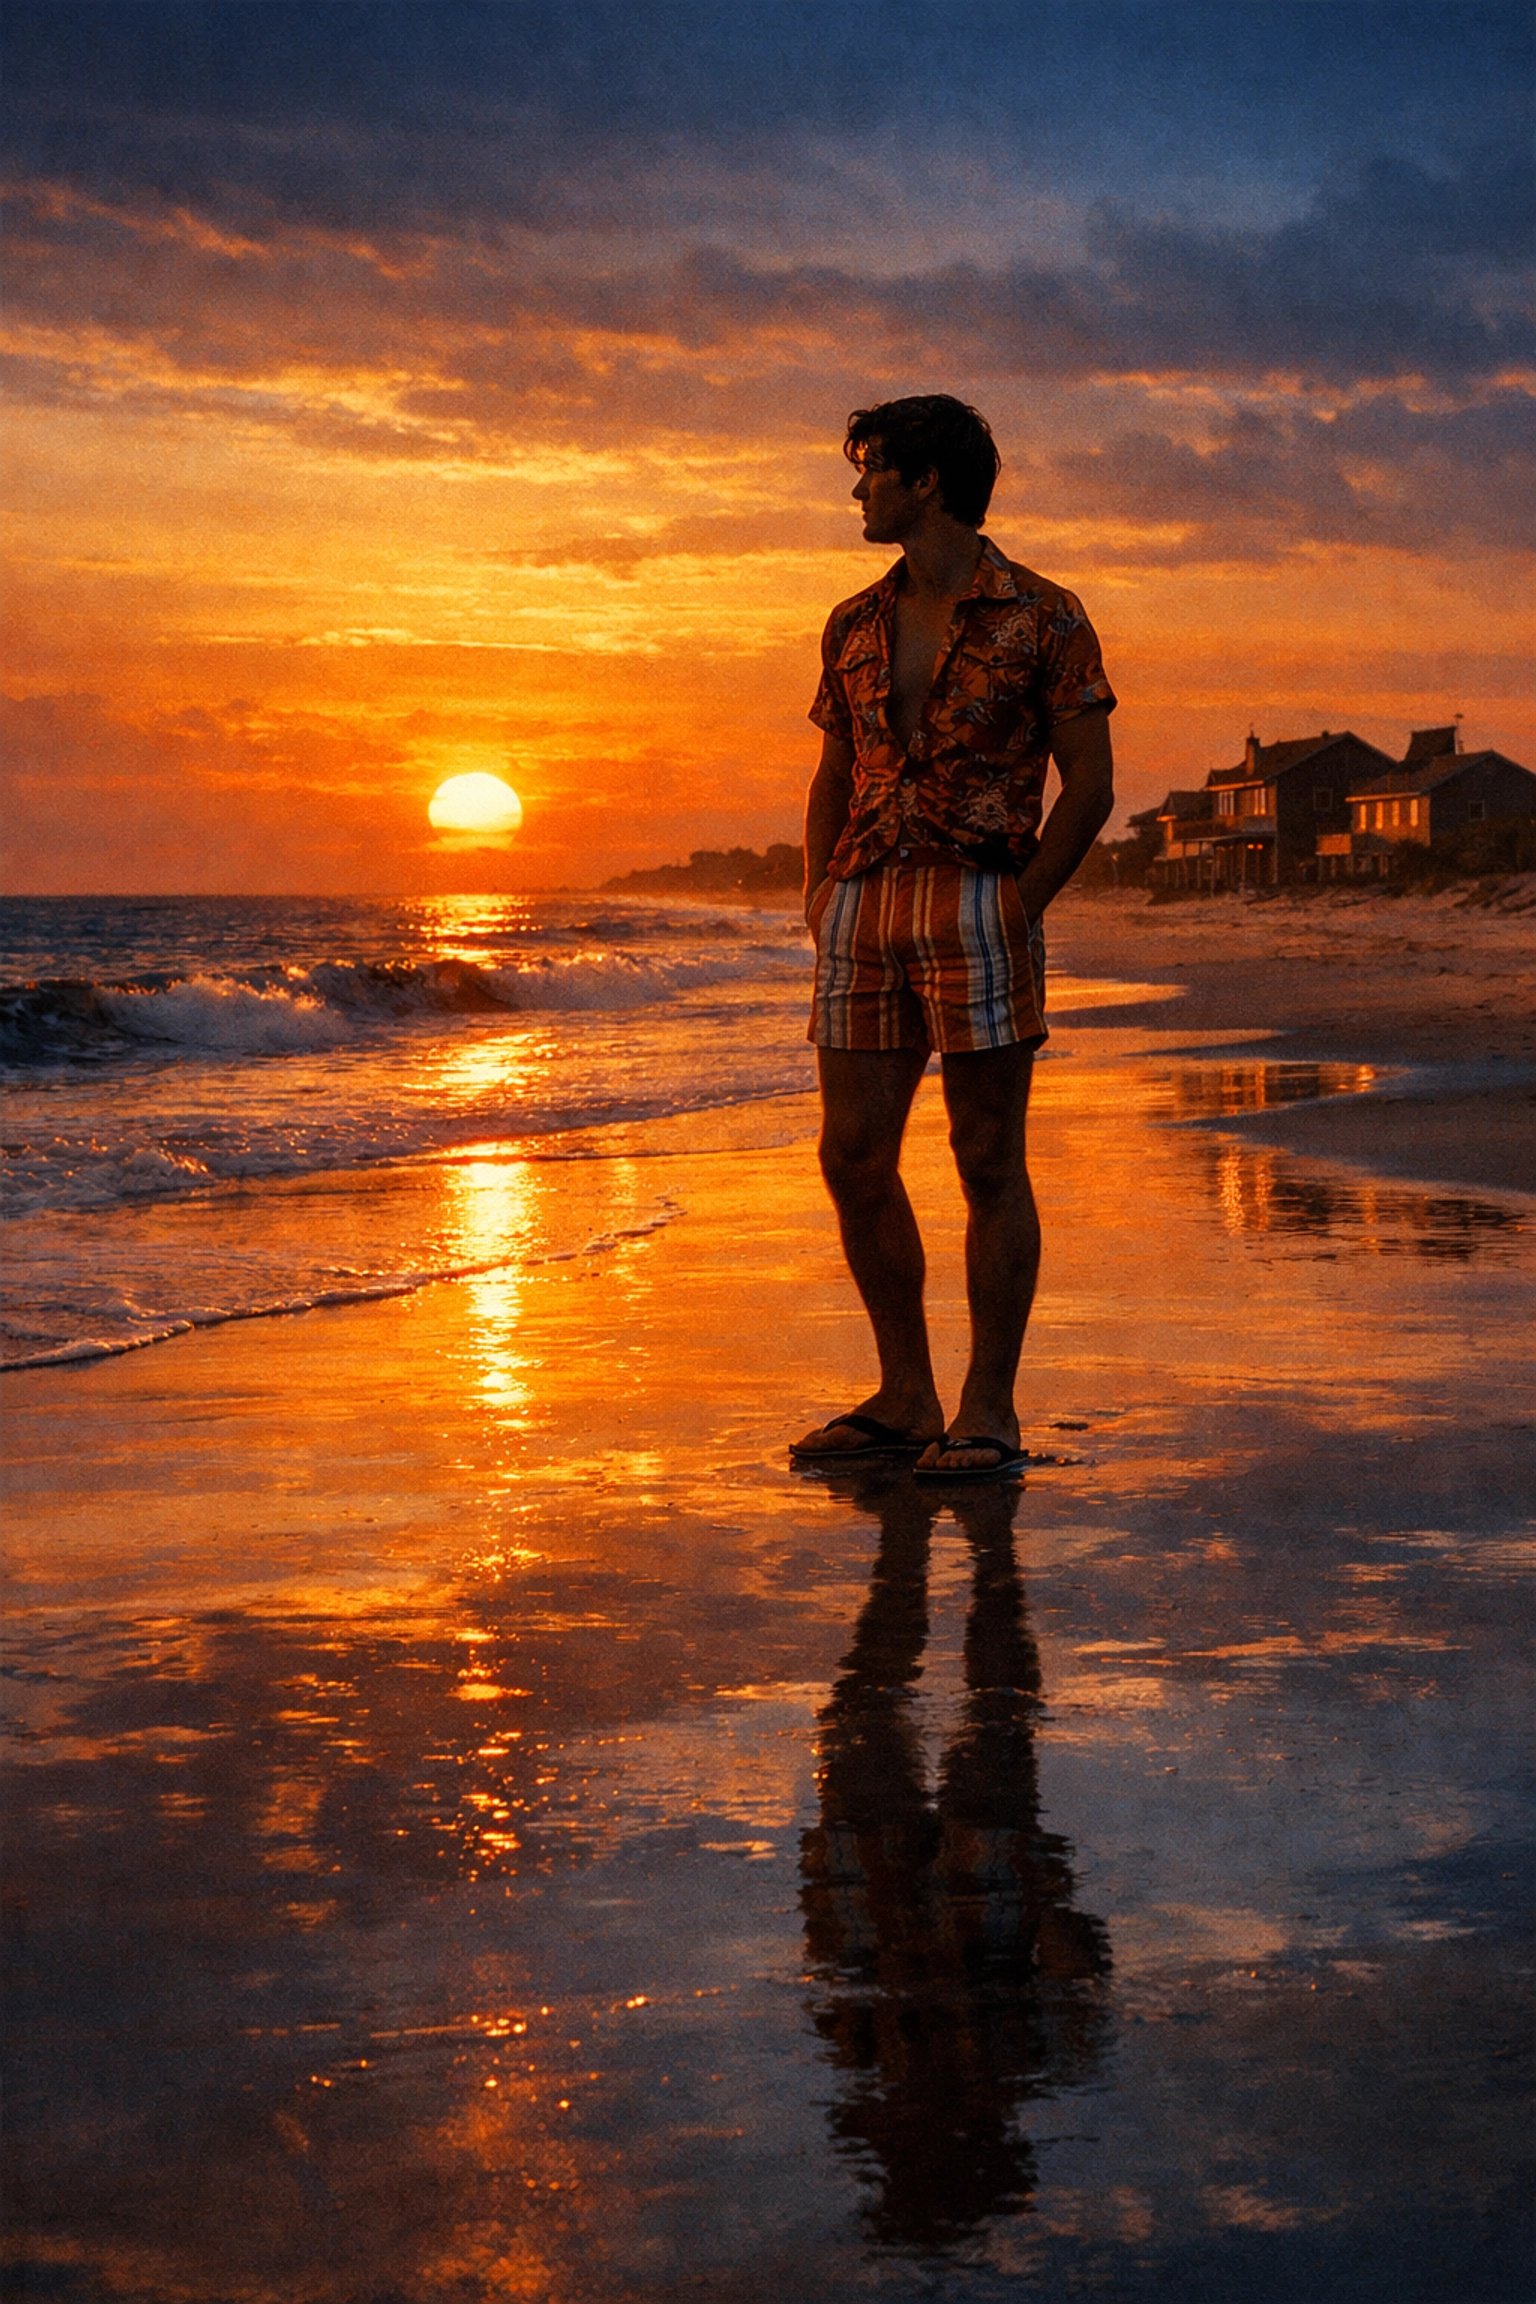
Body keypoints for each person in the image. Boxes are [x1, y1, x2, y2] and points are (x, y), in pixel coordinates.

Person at [791, 394, 1116, 1481]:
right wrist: (818, 894)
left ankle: (988, 1408)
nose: (857, 488)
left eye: (872, 468)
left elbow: (1089, 791)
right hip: (864, 902)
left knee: (985, 1156)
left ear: (926, 481)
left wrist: (1018, 909)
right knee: (852, 1157)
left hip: (979, 897)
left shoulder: (1045, 615)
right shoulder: (853, 621)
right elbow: (833, 773)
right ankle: (905, 1393)